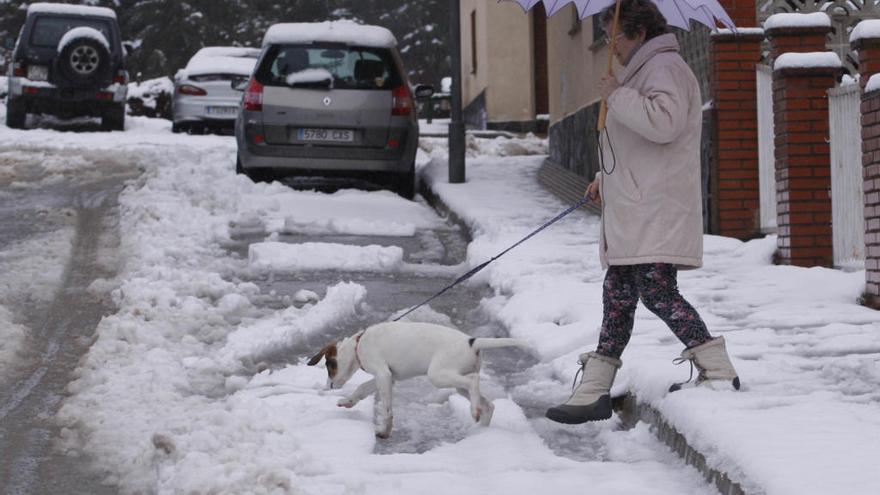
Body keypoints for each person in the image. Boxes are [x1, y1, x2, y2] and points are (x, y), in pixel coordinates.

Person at [545, 0, 740, 425]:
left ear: (638, 33)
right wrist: (604, 176)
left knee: (653, 289)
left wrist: (617, 95)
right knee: (618, 293)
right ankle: (595, 387)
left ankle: (718, 368)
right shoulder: (644, 71)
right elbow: (639, 145)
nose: (610, 45)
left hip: (655, 205)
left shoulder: (664, 68)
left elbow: (663, 124)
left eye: (613, 36)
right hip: (639, 202)